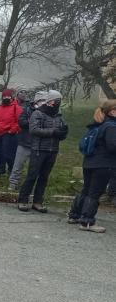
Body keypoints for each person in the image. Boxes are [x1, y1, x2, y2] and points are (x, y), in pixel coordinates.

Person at [67, 100, 116, 233]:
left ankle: (74, 215)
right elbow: (112, 146)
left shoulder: (98, 125)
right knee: (95, 193)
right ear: (112, 111)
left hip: (89, 163)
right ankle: (87, 221)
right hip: (103, 164)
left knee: (86, 190)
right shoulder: (111, 126)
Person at [18, 90, 68, 213]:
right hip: (39, 149)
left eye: (59, 101)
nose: (57, 103)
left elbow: (61, 132)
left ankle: (37, 202)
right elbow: (34, 130)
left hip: (53, 150)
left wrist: (63, 133)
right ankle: (23, 200)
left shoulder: (59, 116)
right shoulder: (38, 113)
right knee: (32, 176)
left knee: (44, 177)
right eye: (56, 100)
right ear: (50, 100)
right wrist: (53, 132)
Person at [9, 90, 41, 191]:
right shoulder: (27, 109)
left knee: (34, 168)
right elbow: (21, 122)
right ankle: (13, 184)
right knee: (17, 165)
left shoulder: (47, 112)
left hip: (38, 144)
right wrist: (33, 122)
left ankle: (29, 188)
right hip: (24, 141)